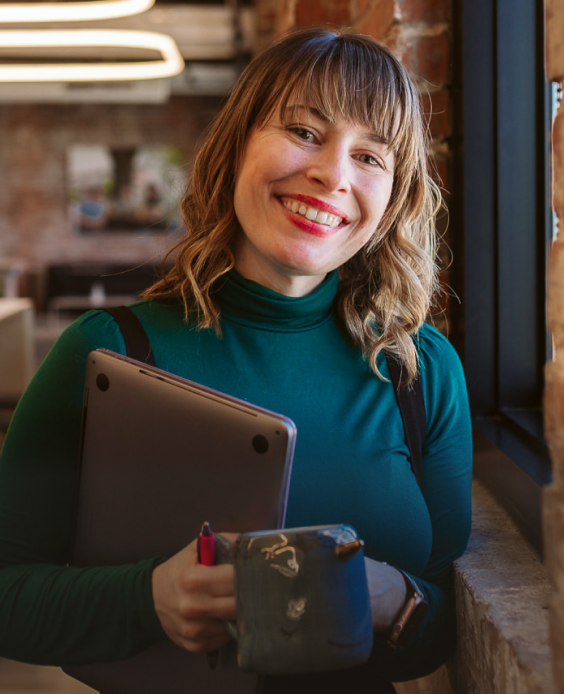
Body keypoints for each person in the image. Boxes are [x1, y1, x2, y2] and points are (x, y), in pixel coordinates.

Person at [0, 28, 472, 693]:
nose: (333, 174)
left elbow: (449, 622)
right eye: (305, 132)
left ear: (393, 197)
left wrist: (393, 597)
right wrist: (148, 600)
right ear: (237, 144)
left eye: (370, 155)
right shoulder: (105, 351)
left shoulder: (420, 372)